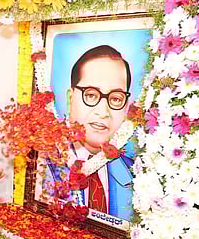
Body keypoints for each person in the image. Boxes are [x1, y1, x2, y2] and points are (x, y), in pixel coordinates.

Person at [44, 45, 134, 220]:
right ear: (70, 99)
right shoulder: (39, 165)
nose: (103, 112)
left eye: (116, 98)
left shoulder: (137, 176)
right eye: (91, 95)